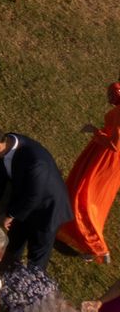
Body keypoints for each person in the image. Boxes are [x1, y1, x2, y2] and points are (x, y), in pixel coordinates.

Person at [0, 123, 74, 271]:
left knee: (37, 253)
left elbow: (34, 196)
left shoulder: (35, 161)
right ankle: (7, 269)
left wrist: (10, 215)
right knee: (14, 241)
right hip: (22, 202)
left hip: (47, 210)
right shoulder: (6, 145)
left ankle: (31, 279)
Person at [61, 83, 120, 263]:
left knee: (82, 195)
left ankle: (97, 247)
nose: (108, 98)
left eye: (111, 94)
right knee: (91, 198)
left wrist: (95, 131)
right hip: (108, 160)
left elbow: (114, 145)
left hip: (103, 159)